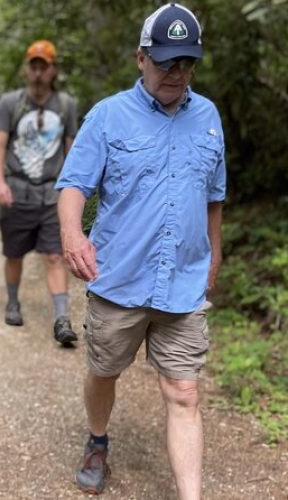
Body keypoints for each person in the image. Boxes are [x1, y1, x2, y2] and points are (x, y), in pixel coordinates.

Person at [57, 4, 225, 497]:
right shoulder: (108, 116)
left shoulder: (209, 116)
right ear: (141, 58)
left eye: (186, 63)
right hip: (120, 278)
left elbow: (214, 196)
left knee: (184, 392)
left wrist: (215, 253)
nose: (177, 73)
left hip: (184, 282)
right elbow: (72, 186)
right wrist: (73, 233)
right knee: (103, 371)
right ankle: (97, 438)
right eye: (166, 62)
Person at [0, 39, 79, 346]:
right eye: (34, 66)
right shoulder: (10, 103)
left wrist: (73, 189)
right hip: (17, 192)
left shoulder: (66, 105)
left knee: (55, 256)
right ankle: (12, 301)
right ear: (26, 69)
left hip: (52, 195)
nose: (39, 72)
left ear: (53, 70)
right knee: (14, 254)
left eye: (44, 66)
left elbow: (72, 149)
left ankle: (61, 318)